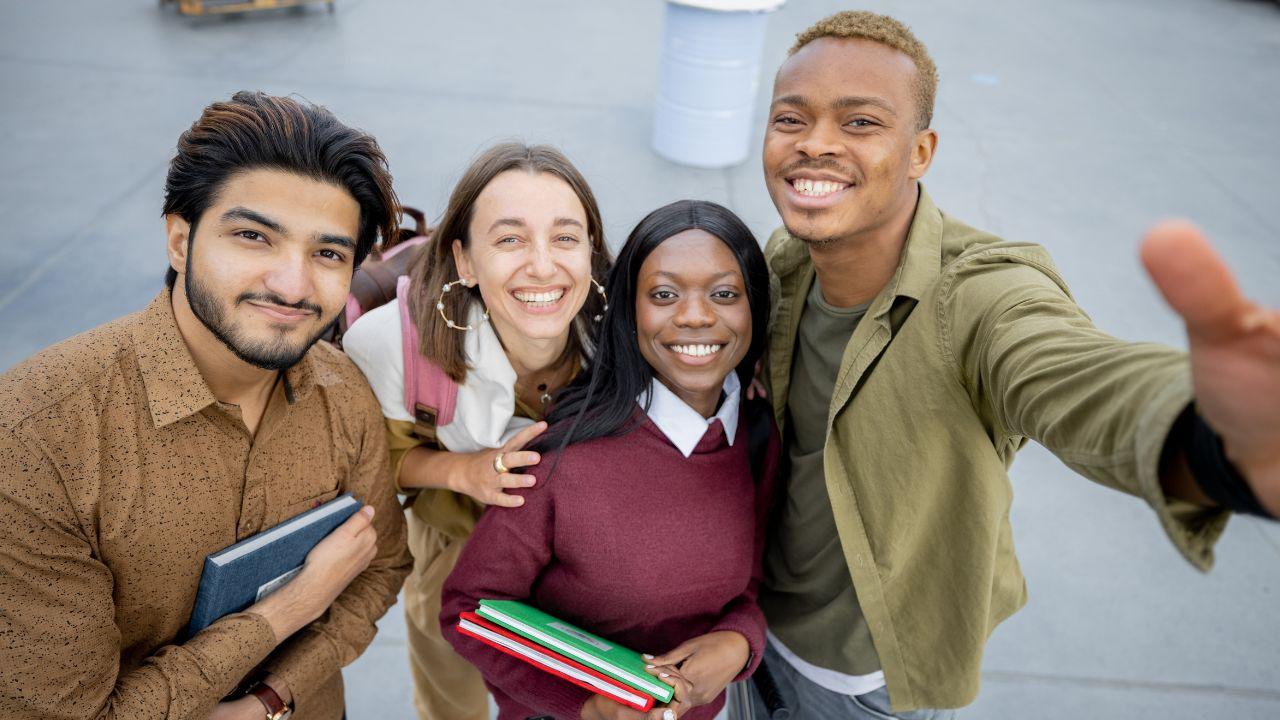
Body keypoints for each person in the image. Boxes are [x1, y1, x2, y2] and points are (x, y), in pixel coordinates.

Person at [743, 11, 1280, 719]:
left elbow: (1071, 376)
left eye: (861, 123)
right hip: (750, 633)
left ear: (920, 152)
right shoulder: (785, 264)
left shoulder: (980, 293)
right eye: (792, 118)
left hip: (868, 682)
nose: (816, 144)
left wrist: (1213, 442)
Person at [0, 91, 412, 720]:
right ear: (178, 239)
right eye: (254, 237)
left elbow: (381, 568)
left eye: (327, 253)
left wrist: (271, 698)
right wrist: (289, 609)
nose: (292, 285)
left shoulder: (343, 389)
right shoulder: (38, 436)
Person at [438, 199, 779, 720]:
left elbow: (747, 586)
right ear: (629, 311)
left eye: (725, 294)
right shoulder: (561, 456)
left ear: (754, 307)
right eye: (663, 294)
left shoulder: (758, 435)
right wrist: (586, 706)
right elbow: (467, 609)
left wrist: (739, 644)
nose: (694, 315)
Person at [342, 142, 612, 720]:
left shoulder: (629, 338)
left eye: (565, 237)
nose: (543, 265)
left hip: (575, 558)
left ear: (592, 250)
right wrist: (463, 471)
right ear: (464, 260)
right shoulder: (394, 344)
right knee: (452, 694)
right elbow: (371, 463)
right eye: (509, 238)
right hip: (452, 546)